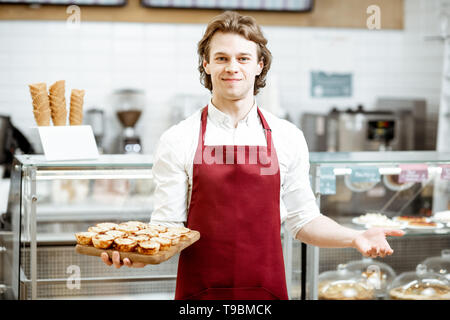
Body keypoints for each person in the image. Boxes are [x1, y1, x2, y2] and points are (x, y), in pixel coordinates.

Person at [101, 11, 404, 300]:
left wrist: (355, 237)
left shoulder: (287, 137)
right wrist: (142, 256)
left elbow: (303, 220)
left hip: (266, 292)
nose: (232, 67)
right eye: (221, 58)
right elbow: (168, 226)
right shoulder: (178, 138)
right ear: (206, 64)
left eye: (243, 58)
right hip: (200, 294)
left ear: (259, 65)